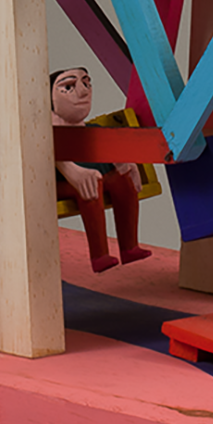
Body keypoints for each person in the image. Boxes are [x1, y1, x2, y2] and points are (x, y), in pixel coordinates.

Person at [51, 67, 152, 275]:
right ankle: (99, 256)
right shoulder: (48, 131)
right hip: (59, 185)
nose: (84, 91)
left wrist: (124, 163)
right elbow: (54, 154)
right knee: (92, 182)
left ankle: (129, 248)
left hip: (94, 178)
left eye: (86, 83)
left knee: (121, 178)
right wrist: (74, 173)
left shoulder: (91, 129)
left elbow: (107, 148)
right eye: (68, 87)